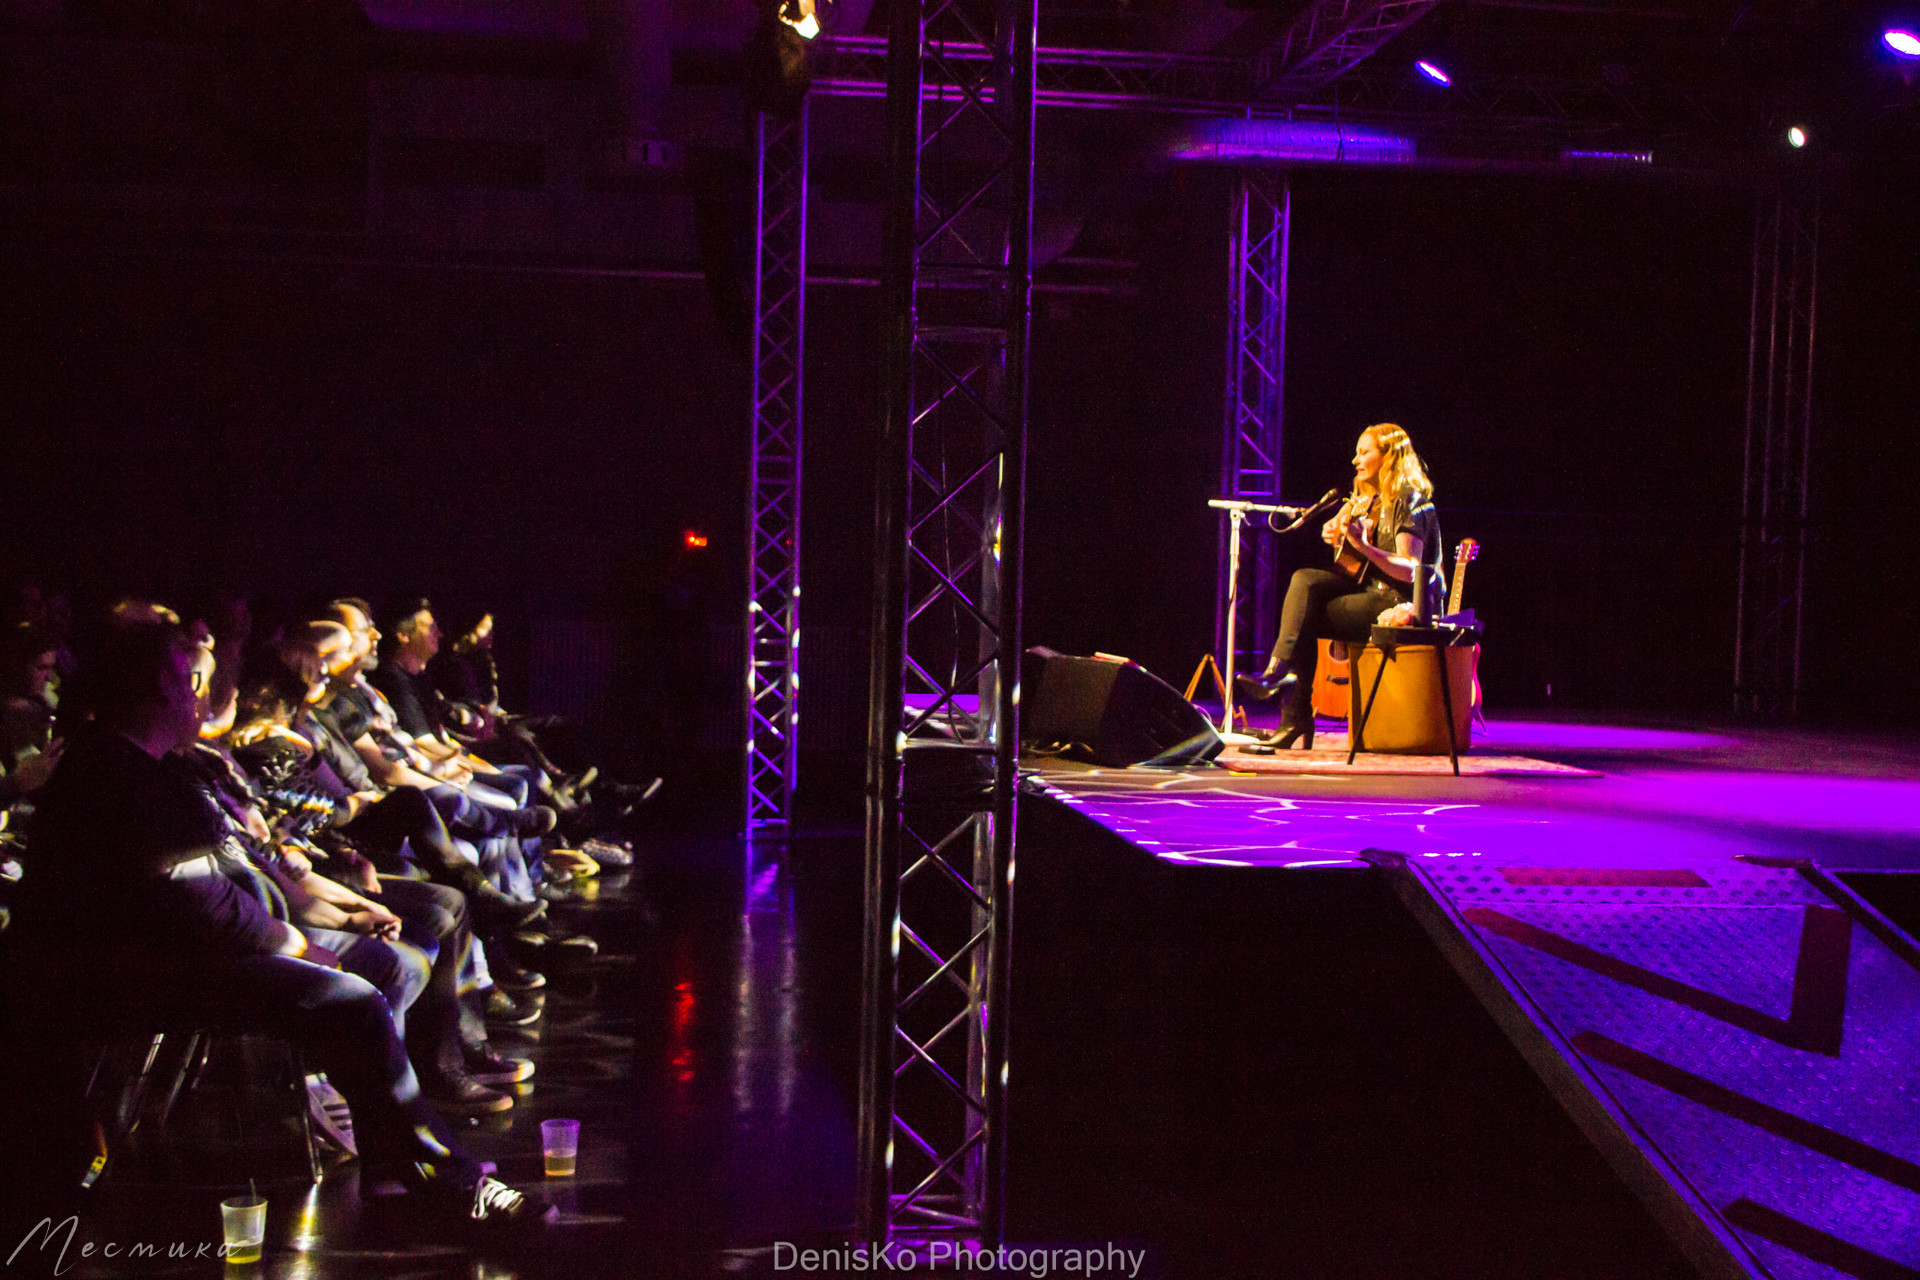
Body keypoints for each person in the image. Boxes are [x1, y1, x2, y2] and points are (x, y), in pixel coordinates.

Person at [0, 621, 552, 1244]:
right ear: (161, 687)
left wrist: (315, 921)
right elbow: (202, 905)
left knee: (362, 985)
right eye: (193, 681)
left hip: (167, 960)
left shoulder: (140, 765)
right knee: (352, 1002)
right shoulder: (112, 773)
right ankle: (446, 1182)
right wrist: (301, 947)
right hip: (120, 980)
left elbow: (227, 881)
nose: (201, 697)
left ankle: (404, 1178)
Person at [1237, 422, 1443, 748]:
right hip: (1367, 593)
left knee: (1304, 616)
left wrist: (1362, 546)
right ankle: (1282, 685)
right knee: (1303, 580)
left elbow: (1411, 571)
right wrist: (1335, 536)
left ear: (1388, 456)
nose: (1355, 460)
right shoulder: (1364, 498)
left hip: (1400, 602)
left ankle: (1293, 713)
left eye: (1364, 452)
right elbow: (1350, 557)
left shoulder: (1409, 499)